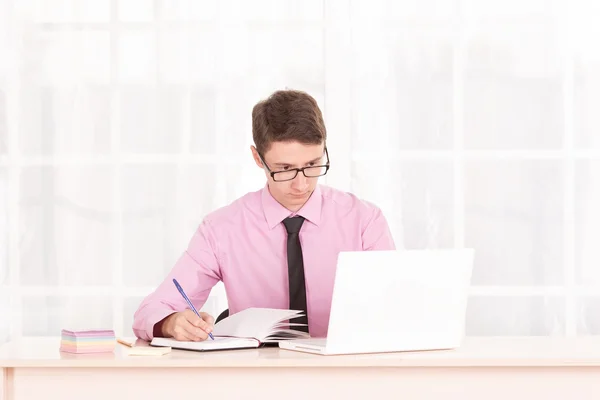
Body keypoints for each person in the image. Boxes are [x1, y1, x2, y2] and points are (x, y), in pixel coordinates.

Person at [132, 89, 396, 342]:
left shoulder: (364, 221)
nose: (301, 185)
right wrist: (171, 323)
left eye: (313, 165)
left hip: (346, 375)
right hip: (255, 377)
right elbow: (151, 311)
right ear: (258, 158)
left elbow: (397, 306)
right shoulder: (221, 229)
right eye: (285, 169)